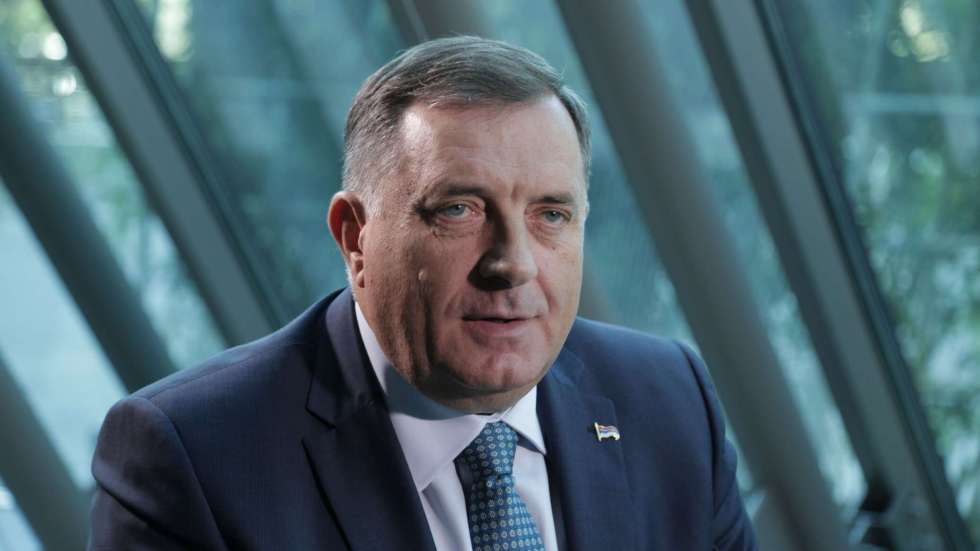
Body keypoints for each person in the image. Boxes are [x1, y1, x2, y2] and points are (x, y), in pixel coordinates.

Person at [89, 36, 757, 550]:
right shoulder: (194, 457)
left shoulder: (669, 402)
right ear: (355, 237)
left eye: (550, 214)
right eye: (459, 210)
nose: (512, 264)